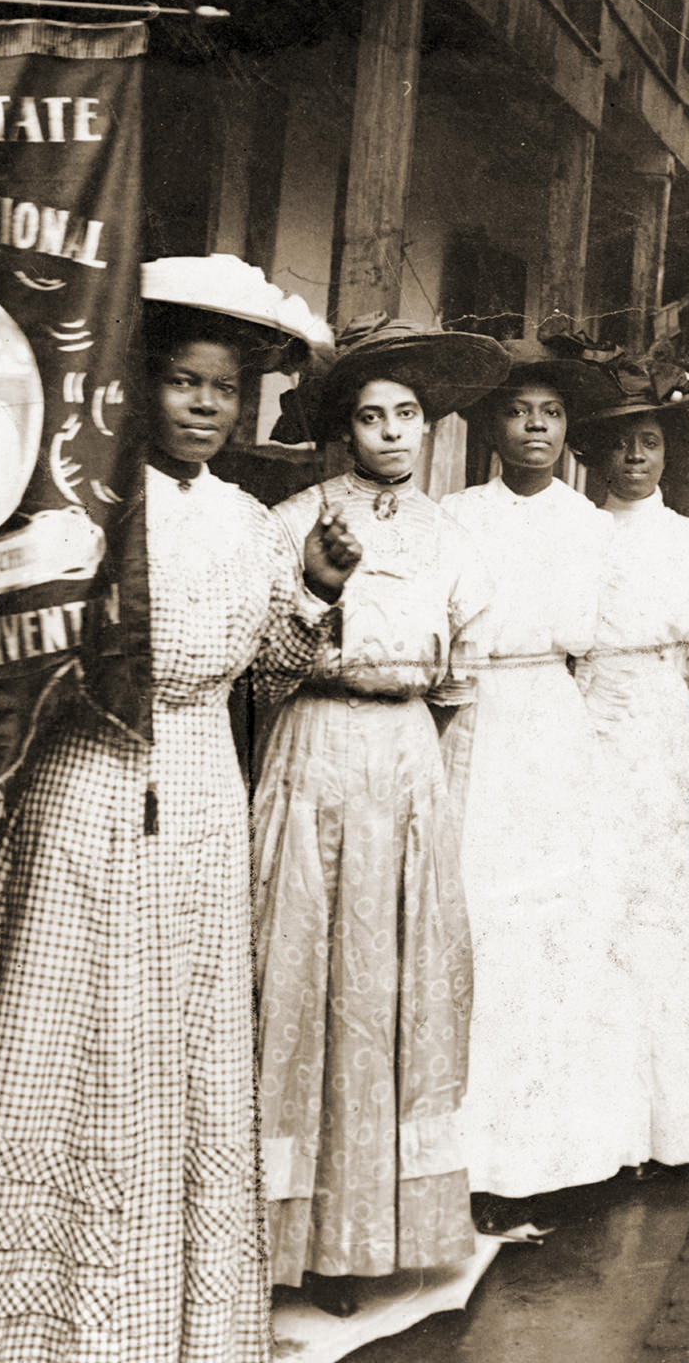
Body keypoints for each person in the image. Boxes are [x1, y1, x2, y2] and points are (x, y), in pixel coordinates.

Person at [0, 254, 361, 1363]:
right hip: (84, 783)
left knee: (178, 1044)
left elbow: (265, 669)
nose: (201, 406)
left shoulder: (248, 521)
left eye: (221, 390)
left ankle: (166, 1327)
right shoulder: (80, 504)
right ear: (139, 386)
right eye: (182, 382)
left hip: (199, 797)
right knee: (65, 1030)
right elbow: (1, 654)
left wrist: (318, 587)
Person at [253, 313, 506, 1316]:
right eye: (371, 416)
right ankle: (287, 1234)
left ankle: (372, 1234)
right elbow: (265, 662)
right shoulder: (292, 523)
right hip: (313, 747)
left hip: (406, 762)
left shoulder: (453, 538)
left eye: (406, 415)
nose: (392, 434)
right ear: (341, 429)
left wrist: (439, 811)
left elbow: (464, 688)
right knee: (298, 977)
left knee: (387, 987)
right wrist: (319, 588)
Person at [439, 333, 649, 1223]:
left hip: (555, 735)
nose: (533, 427)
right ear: (491, 425)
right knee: (479, 925)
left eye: (550, 414)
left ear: (569, 430)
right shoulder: (453, 518)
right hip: (476, 728)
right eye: (517, 412)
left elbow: (605, 656)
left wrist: (593, 759)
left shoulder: (592, 527)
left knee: (559, 932)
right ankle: (472, 1158)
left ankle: (564, 1152)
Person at [569, 347, 689, 1168]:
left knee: (664, 925)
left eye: (650, 443)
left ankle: (667, 1125)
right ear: (592, 453)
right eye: (620, 444)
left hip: (666, 736)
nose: (634, 458)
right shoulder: (577, 533)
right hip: (589, 726)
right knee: (595, 918)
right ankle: (603, 1131)